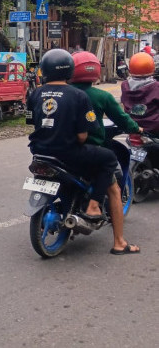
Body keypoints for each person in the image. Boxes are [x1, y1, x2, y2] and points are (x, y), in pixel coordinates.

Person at [27, 49, 139, 255]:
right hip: (69, 154)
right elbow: (82, 136)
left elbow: (31, 121)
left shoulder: (35, 93)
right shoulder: (79, 96)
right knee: (108, 158)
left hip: (39, 151)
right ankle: (99, 213)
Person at [69, 51, 141, 146]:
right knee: (111, 158)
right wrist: (136, 128)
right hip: (90, 147)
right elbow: (121, 118)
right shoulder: (102, 96)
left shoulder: (59, 93)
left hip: (59, 147)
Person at [120, 52, 159, 133]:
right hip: (153, 128)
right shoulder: (156, 86)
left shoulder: (124, 85)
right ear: (152, 68)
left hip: (131, 126)